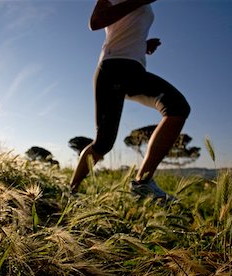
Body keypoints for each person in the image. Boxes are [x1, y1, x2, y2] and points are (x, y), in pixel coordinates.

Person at [70, 0, 191, 203]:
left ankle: (142, 182)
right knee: (104, 143)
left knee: (177, 107)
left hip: (134, 70)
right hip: (113, 67)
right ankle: (71, 191)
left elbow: (126, 28)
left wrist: (143, 46)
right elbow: (96, 21)